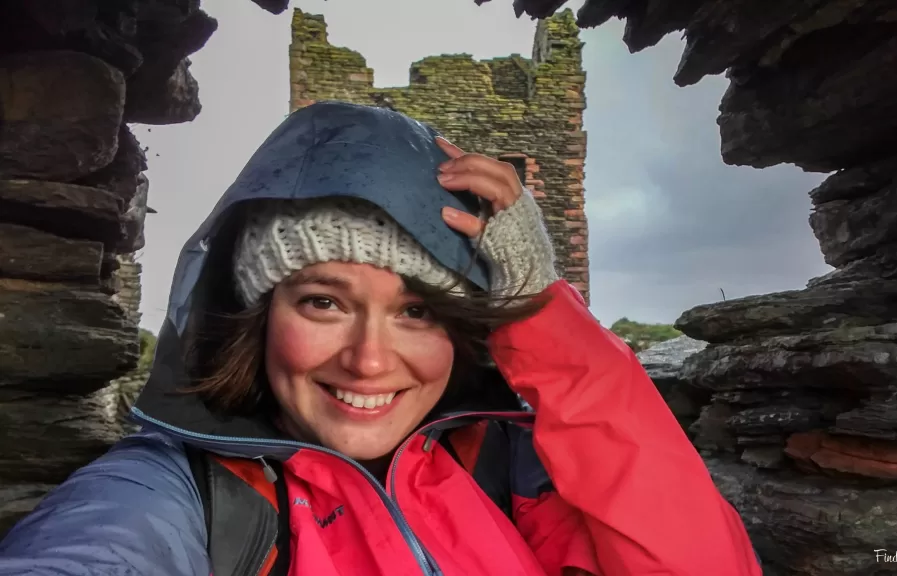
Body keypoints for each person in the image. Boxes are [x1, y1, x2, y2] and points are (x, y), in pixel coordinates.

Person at [0, 102, 761, 576]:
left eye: (419, 311)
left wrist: (533, 307)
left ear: (462, 327)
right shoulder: (183, 495)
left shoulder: (516, 464)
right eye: (325, 302)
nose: (369, 360)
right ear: (258, 312)